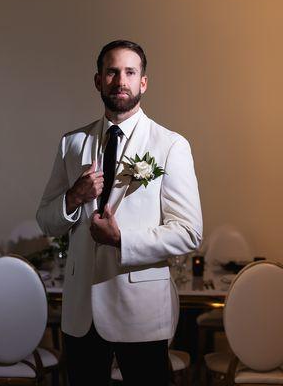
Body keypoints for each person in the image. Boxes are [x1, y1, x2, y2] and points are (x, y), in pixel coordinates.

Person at [36, 40, 202, 385]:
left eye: (129, 72)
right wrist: (72, 198)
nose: (119, 81)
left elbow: (189, 232)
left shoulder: (170, 145)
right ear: (98, 80)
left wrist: (122, 239)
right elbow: (45, 221)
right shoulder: (72, 143)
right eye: (112, 72)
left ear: (143, 82)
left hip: (140, 312)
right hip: (82, 313)